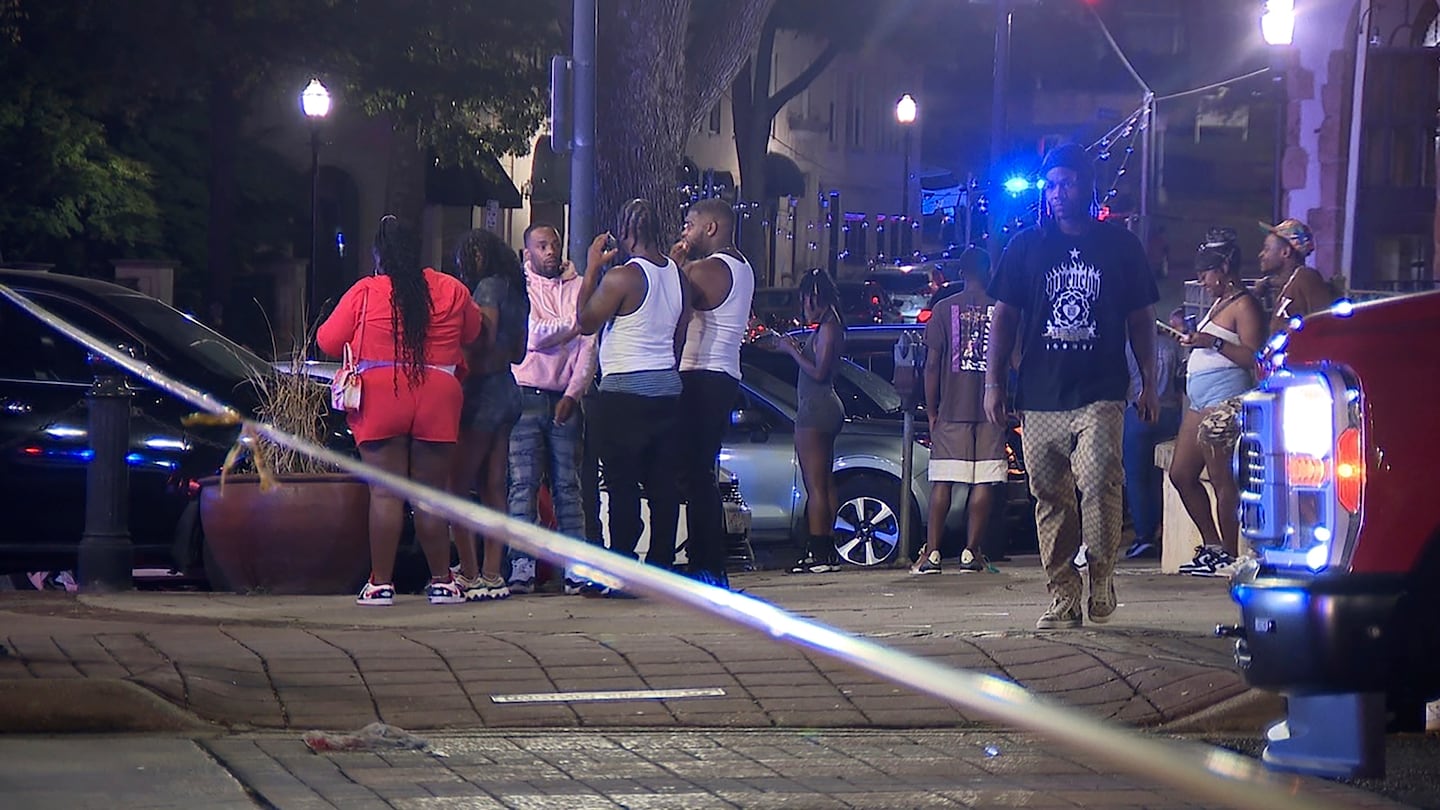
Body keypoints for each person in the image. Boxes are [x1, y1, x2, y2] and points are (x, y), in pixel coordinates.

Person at [983, 143, 1160, 630]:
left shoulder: (1119, 246)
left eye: (1068, 183)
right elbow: (1004, 317)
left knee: (1101, 477)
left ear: (1088, 185)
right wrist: (993, 381)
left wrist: (1149, 379)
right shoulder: (1025, 246)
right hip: (1040, 393)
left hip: (1102, 388)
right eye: (1052, 185)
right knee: (1050, 495)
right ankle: (1063, 594)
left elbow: (1141, 316)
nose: (1058, 193)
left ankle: (1101, 573)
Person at [317, 216, 481, 607]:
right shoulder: (452, 289)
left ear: (378, 254)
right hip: (438, 394)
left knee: (386, 494)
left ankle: (380, 584)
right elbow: (472, 333)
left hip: (380, 395)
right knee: (428, 495)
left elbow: (327, 340)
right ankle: (442, 581)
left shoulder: (367, 291)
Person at [575, 199, 691, 596]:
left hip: (624, 391)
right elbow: (680, 333)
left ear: (625, 234)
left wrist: (592, 267)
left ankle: (623, 570)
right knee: (662, 486)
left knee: (622, 485)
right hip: (667, 388)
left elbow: (585, 321)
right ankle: (662, 566)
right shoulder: (678, 276)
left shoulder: (621, 277)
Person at [667, 198, 755, 589]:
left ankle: (707, 562)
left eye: (690, 224)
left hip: (703, 375)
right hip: (719, 375)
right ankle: (705, 560)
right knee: (695, 469)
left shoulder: (712, 268)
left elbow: (670, 299)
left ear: (712, 228)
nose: (685, 231)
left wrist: (673, 263)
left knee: (693, 471)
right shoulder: (742, 265)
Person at [505, 223, 596, 595]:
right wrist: (576, 323)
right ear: (528, 252)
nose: (550, 251)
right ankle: (521, 564)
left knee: (567, 486)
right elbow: (533, 336)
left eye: (554, 244)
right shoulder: (520, 288)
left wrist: (573, 394)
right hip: (525, 395)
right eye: (542, 245)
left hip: (565, 399)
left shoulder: (578, 287)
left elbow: (589, 346)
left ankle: (575, 566)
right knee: (522, 484)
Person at [1172, 239, 1265, 577]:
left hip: (1224, 400)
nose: (1201, 282)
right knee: (1181, 474)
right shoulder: (1219, 303)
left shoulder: (1244, 305)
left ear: (1224, 270)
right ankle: (1211, 545)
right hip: (1199, 401)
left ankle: (1229, 552)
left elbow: (1255, 358)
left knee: (1221, 479)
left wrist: (1211, 341)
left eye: (1205, 274)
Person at [449, 228, 530, 602]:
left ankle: (468, 571)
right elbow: (518, 353)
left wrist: (458, 344)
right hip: (509, 390)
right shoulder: (518, 292)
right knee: (495, 486)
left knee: (458, 486)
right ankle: (494, 571)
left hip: (480, 391)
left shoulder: (487, 290)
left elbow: (483, 337)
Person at [912, 255, 1000, 575]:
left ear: (961, 273)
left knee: (944, 482)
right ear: (988, 270)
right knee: (983, 482)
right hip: (991, 410)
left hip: (951, 408)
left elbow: (932, 364)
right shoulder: (1001, 307)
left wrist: (932, 409)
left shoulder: (943, 309)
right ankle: (971, 552)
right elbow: (1016, 360)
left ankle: (933, 554)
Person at [761, 268, 846, 574]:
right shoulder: (829, 325)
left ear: (813, 297)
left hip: (816, 408)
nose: (804, 306)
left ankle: (818, 552)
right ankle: (828, 548)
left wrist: (792, 351)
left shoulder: (828, 329)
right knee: (825, 482)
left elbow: (819, 372)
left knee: (816, 486)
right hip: (824, 407)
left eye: (805, 299)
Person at [1120, 308, 1184, 560]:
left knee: (1137, 479)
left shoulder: (1127, 347)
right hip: (1169, 413)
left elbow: (1123, 381)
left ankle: (1144, 536)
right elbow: (1181, 382)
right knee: (1163, 477)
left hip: (1137, 413)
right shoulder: (1173, 347)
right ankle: (1163, 531)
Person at [1254, 218, 1333, 334]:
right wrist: (1267, 283)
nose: (1261, 255)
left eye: (1267, 249)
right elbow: (1285, 281)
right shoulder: (1293, 281)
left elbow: (1326, 325)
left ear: (1285, 252)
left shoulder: (1307, 277)